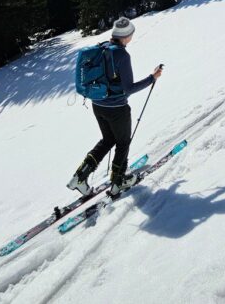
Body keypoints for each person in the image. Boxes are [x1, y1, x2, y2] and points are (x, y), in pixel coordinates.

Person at [67, 17, 163, 196]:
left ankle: (79, 177)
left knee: (108, 140)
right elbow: (128, 89)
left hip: (98, 105)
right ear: (126, 36)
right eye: (131, 33)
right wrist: (152, 78)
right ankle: (118, 182)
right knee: (123, 142)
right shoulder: (122, 55)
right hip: (117, 109)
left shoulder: (103, 48)